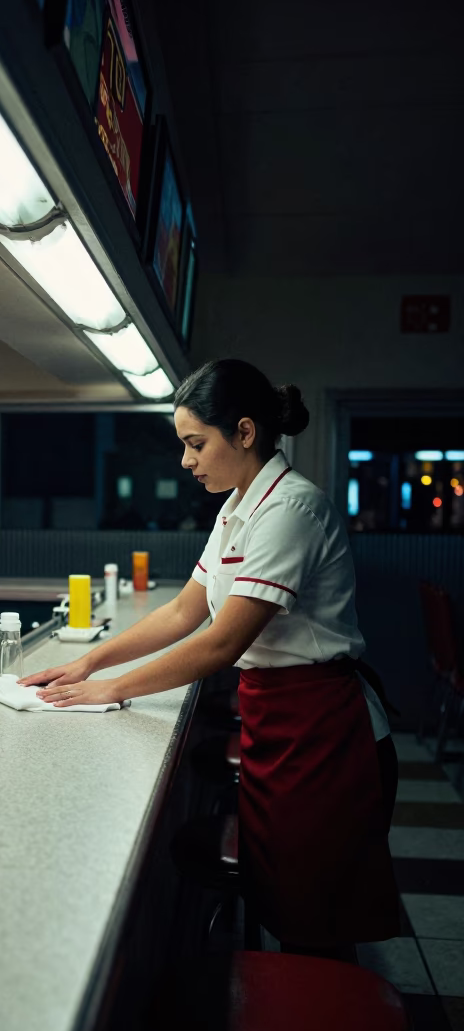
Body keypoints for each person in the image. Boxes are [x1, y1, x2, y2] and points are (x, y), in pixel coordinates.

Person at [20, 359, 399, 960]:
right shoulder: (237, 508)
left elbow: (224, 641)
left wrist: (116, 689)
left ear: (245, 433)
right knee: (288, 902)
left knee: (317, 920)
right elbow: (181, 615)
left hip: (326, 732)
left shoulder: (291, 511)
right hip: (279, 723)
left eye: (196, 444)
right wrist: (89, 664)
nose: (186, 460)